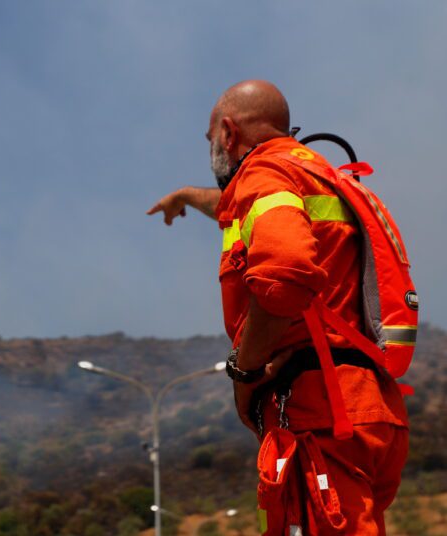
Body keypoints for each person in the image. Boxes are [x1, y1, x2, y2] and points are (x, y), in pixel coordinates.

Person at [147, 80, 409, 534]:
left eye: (210, 139)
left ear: (228, 134)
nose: (211, 149)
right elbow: (239, 207)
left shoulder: (263, 175)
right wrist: (189, 195)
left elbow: (285, 274)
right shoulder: (312, 170)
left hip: (319, 409)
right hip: (366, 405)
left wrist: (243, 374)